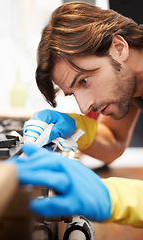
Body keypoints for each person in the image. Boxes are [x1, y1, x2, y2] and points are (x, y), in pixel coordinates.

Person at [16, 1, 143, 229]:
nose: (85, 107)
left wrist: (113, 197)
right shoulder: (132, 81)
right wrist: (75, 128)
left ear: (119, 47)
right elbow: (113, 142)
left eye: (84, 80)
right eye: (73, 93)